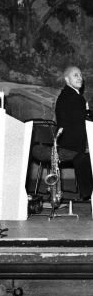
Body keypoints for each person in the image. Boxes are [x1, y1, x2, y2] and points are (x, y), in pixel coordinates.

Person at [55, 66, 93, 201]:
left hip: (70, 142)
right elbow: (83, 122)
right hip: (71, 145)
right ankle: (88, 192)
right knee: (87, 156)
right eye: (75, 75)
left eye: (81, 75)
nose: (80, 78)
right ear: (67, 79)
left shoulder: (70, 96)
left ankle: (88, 192)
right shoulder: (72, 97)